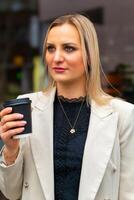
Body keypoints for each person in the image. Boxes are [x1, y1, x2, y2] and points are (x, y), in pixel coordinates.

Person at [0, 14, 134, 200]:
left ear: (89, 55)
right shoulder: (28, 107)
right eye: (50, 48)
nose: (56, 58)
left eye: (69, 48)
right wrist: (11, 150)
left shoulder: (122, 115)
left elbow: (129, 192)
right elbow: (11, 193)